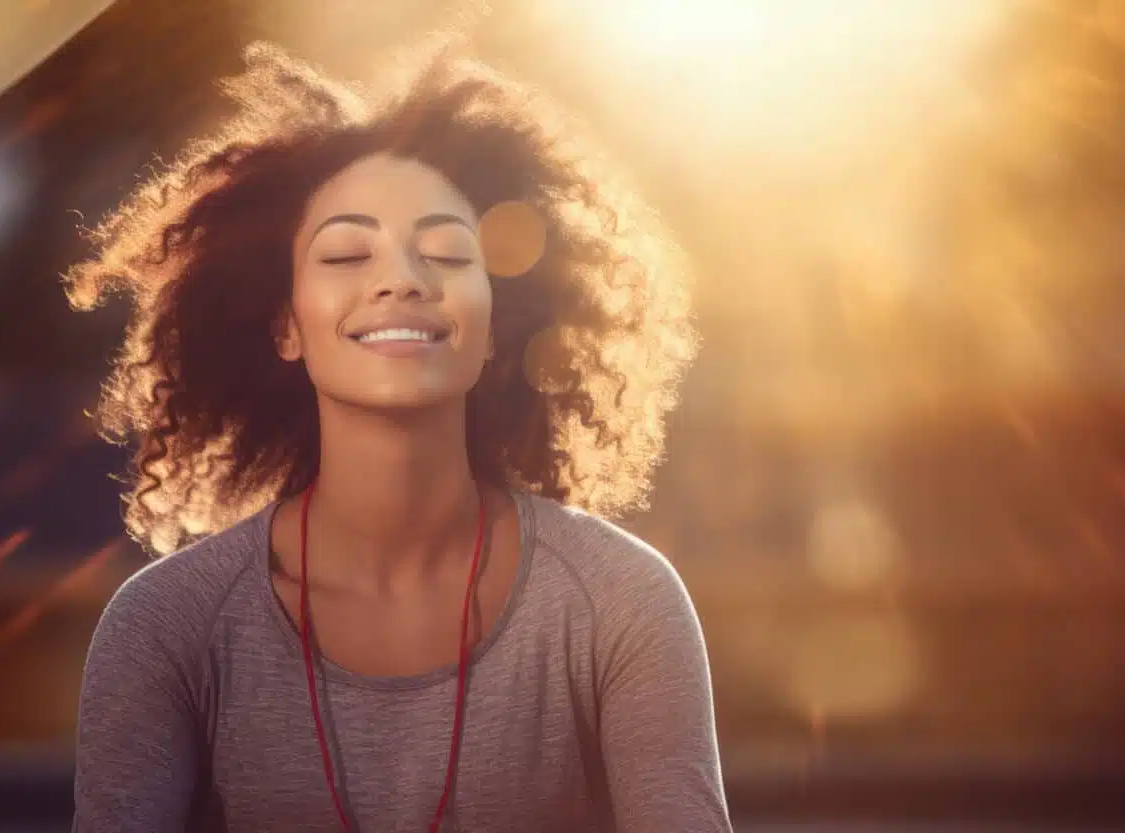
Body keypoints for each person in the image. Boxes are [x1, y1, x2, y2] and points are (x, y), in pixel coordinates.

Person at [65, 37, 730, 833]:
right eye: (346, 252)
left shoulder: (620, 605)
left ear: (495, 328)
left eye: (447, 251)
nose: (403, 277)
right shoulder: (167, 626)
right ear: (284, 324)